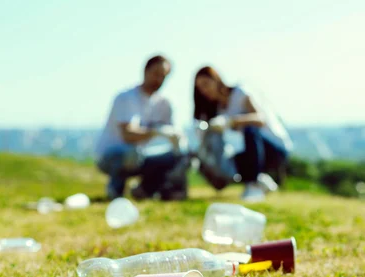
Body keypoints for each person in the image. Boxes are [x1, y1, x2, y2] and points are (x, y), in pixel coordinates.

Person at [94, 55, 187, 200]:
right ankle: (115, 191)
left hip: (142, 155)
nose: (158, 80)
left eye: (163, 76)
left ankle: (146, 191)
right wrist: (156, 132)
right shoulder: (126, 98)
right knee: (132, 153)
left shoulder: (164, 103)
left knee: (179, 157)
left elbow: (175, 134)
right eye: (156, 74)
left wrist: (177, 140)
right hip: (112, 155)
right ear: (145, 71)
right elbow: (128, 135)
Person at [193, 66, 293, 201]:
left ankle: (253, 185)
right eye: (200, 88)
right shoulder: (219, 109)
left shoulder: (240, 93)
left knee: (249, 129)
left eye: (206, 84)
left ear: (216, 80)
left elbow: (260, 119)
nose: (204, 91)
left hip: (275, 148)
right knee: (227, 161)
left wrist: (232, 122)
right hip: (250, 152)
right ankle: (261, 181)